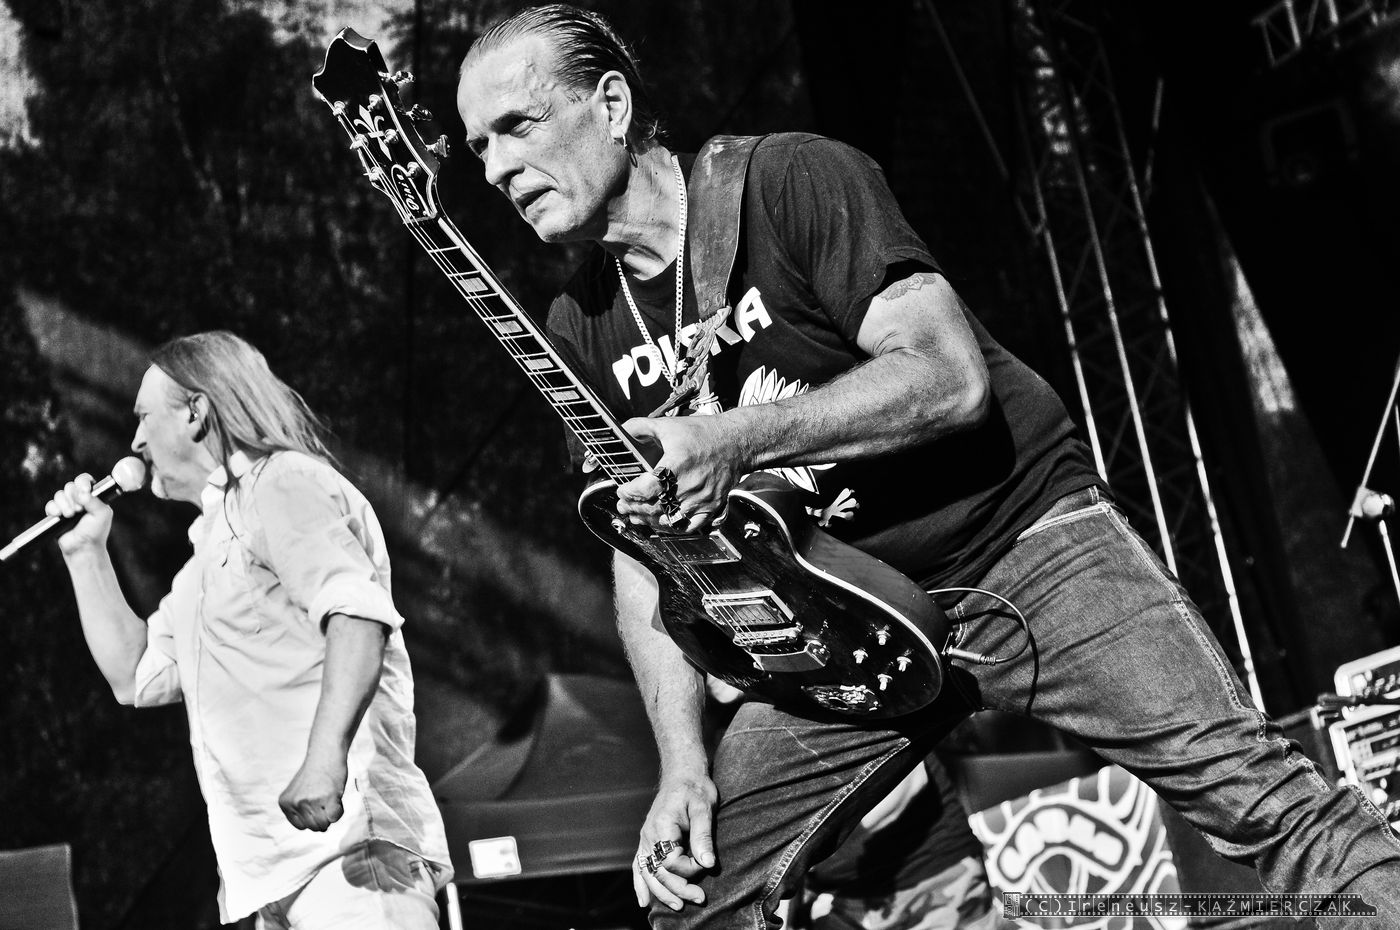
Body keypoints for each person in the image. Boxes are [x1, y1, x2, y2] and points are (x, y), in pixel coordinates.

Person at [455, 5, 1400, 929]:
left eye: (516, 126)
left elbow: (949, 378)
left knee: (1263, 804)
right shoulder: (579, 328)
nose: (496, 168)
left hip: (1021, 547)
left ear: (611, 105)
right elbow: (645, 557)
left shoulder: (789, 181)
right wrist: (682, 766)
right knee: (699, 895)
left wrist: (735, 438)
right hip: (846, 626)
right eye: (477, 148)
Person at [45, 332, 452, 929]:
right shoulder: (201, 563)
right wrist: (86, 552)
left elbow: (356, 613)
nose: (134, 441)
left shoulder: (281, 483)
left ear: (195, 412)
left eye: (143, 417)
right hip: (271, 887)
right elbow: (134, 675)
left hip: (349, 861)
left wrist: (324, 760)